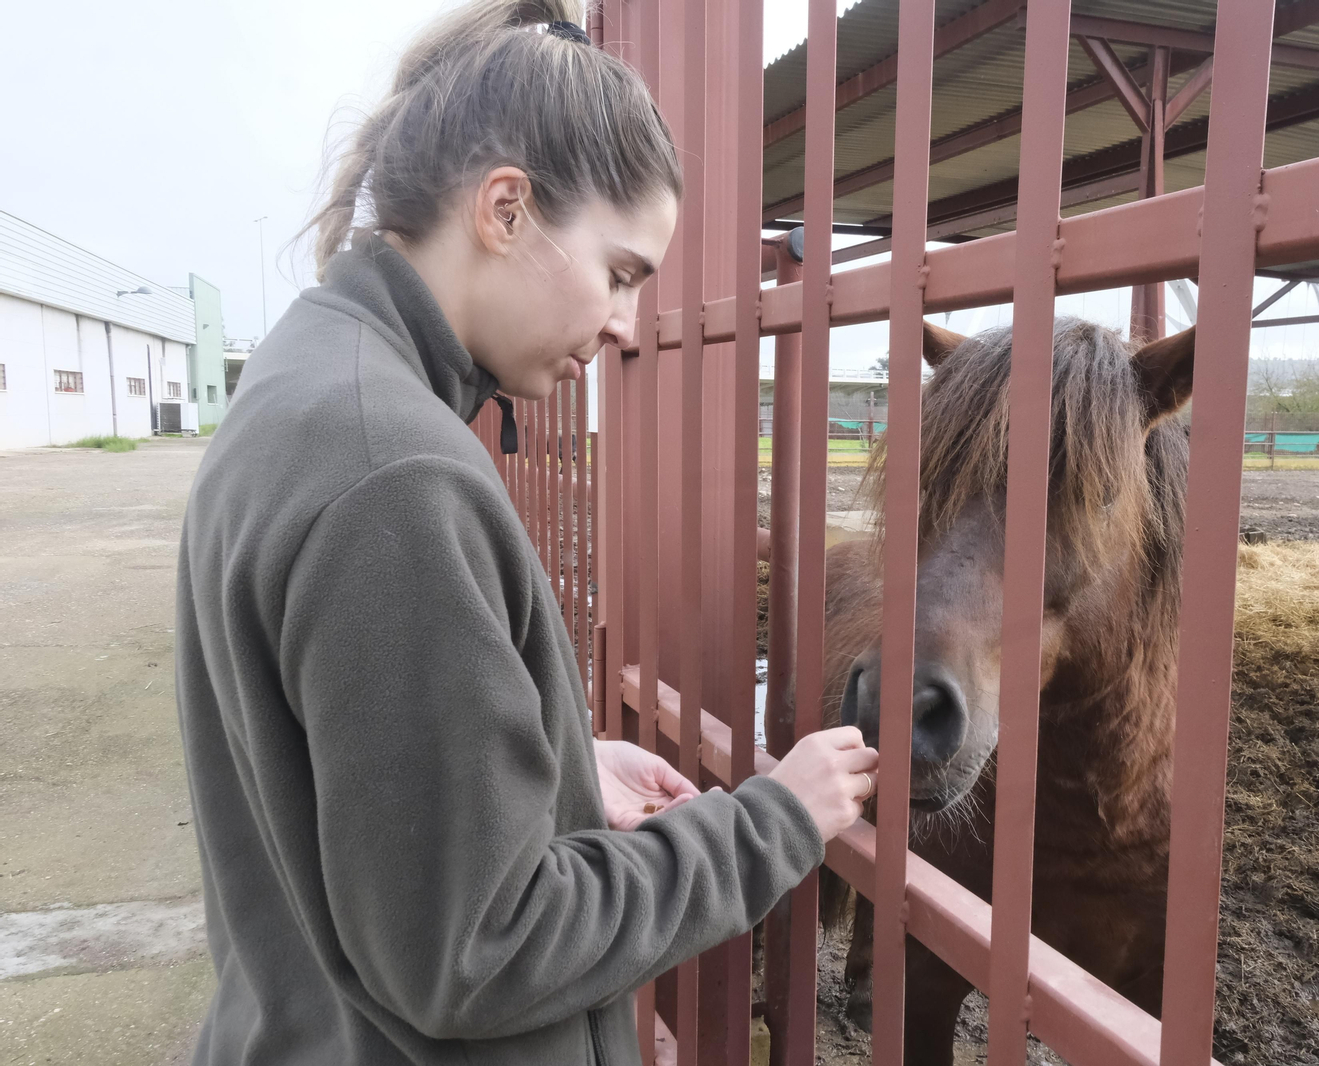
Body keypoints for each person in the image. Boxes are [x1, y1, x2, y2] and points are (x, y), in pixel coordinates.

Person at [173, 2, 878, 1063]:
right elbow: (480, 950)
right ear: (505, 208)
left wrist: (551, 766)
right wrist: (768, 823)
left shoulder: (312, 374)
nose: (625, 323)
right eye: (622, 272)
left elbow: (341, 766)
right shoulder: (395, 479)